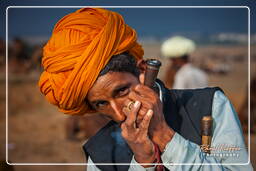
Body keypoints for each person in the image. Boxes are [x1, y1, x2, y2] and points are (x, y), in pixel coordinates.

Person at [38, 8, 253, 170]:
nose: (117, 113)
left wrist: (165, 137)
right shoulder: (99, 153)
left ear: (142, 70)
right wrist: (143, 162)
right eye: (101, 103)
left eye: (121, 91)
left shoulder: (210, 106)